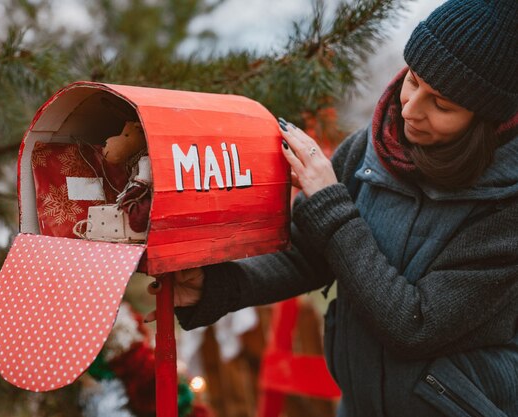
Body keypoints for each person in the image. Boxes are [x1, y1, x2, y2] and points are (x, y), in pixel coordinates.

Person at [147, 0, 518, 415]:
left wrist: (331, 206)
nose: (410, 109)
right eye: (413, 80)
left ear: (486, 119)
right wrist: (216, 286)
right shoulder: (370, 148)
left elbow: (415, 325)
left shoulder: (507, 204)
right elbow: (308, 254)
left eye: (442, 104)